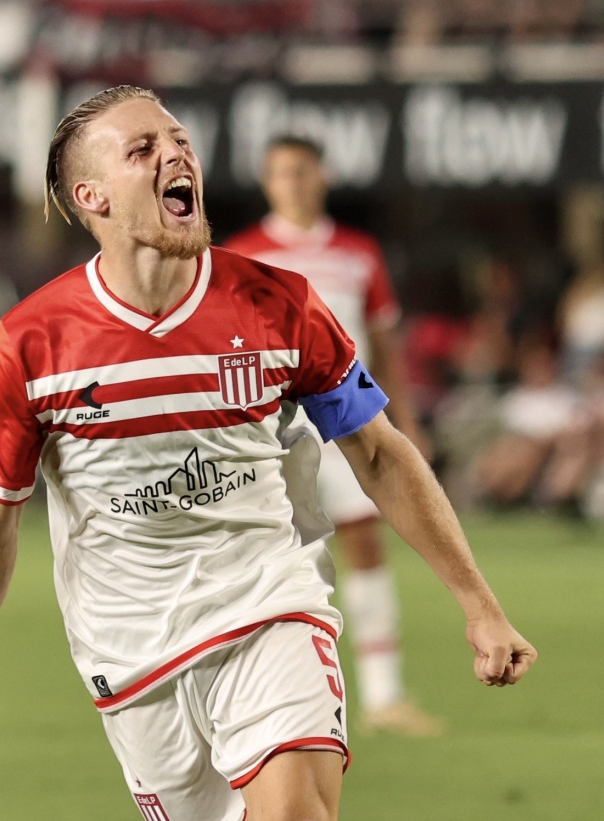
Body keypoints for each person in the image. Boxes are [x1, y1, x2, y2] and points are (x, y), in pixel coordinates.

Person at [0, 86, 537, 820]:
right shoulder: (32, 343)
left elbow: (380, 453)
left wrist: (479, 605)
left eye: (179, 140)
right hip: (130, 651)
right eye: (142, 149)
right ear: (90, 196)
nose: (174, 154)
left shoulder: (279, 303)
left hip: (269, 607)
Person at [224, 135, 444, 736]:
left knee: (364, 543)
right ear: (267, 184)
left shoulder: (358, 253)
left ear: (322, 175)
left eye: (300, 170)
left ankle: (385, 695)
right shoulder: (242, 255)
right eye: (279, 173)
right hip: (272, 426)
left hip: (346, 419)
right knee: (267, 553)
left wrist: (406, 421)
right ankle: (267, 695)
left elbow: (385, 342)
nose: (291, 182)